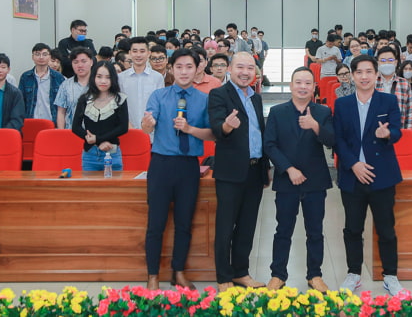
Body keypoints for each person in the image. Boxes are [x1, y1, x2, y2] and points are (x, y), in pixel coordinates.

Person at [141, 48, 214, 290]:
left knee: (184, 223)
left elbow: (212, 134)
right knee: (156, 223)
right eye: (179, 67)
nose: (184, 72)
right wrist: (147, 124)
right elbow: (147, 126)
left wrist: (190, 129)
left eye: (189, 67)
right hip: (161, 164)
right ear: (171, 69)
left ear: (197, 69)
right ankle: (152, 276)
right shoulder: (159, 95)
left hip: (188, 166)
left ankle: (178, 272)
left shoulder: (204, 99)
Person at [334, 54, 403, 295]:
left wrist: (388, 134)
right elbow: (338, 139)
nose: (364, 76)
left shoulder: (388, 100)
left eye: (369, 72)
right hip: (353, 175)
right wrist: (353, 164)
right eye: (359, 72)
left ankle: (390, 276)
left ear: (376, 75)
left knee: (386, 229)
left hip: (382, 175)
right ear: (353, 76)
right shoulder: (342, 104)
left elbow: (397, 130)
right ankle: (354, 274)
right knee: (352, 229)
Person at [260, 66, 333, 291]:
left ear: (314, 87)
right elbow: (269, 145)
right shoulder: (277, 112)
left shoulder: (323, 112)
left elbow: (332, 141)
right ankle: (278, 275)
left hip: (315, 180)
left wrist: (316, 127)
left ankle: (315, 275)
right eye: (298, 82)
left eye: (308, 83)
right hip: (286, 180)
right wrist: (289, 168)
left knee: (315, 231)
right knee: (283, 230)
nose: (303, 87)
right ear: (291, 85)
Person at [208, 52, 269, 291]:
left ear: (256, 71)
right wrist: (227, 126)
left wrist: (265, 168)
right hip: (230, 172)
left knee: (247, 225)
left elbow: (259, 134)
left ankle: (241, 272)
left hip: (254, 170)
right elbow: (216, 128)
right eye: (240, 67)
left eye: (250, 68)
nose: (245, 72)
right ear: (230, 69)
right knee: (226, 226)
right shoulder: (218, 94)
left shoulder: (256, 98)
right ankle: (223, 276)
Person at [71, 61, 128, 171]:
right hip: (90, 154)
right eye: (99, 77)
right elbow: (75, 127)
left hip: (112, 153)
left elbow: (123, 128)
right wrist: (94, 141)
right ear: (93, 77)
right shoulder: (84, 99)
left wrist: (98, 139)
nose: (103, 81)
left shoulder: (120, 99)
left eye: (108, 77)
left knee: (115, 182)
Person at [118, 37, 164, 130]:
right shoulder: (121, 78)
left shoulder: (157, 77)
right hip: (128, 129)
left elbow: (160, 105)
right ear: (130, 53)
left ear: (148, 53)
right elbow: (119, 105)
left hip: (151, 130)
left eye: (142, 51)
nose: (138, 55)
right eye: (135, 51)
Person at [18, 43, 65, 122]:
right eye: (37, 54)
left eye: (44, 54)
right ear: (32, 57)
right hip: (30, 121)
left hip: (52, 122)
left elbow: (62, 104)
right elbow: (20, 102)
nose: (41, 57)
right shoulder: (26, 77)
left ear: (49, 57)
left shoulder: (58, 77)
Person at [374, 46, 412, 129]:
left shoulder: (404, 83)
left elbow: (409, 112)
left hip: (398, 130)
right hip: (375, 131)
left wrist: (408, 132)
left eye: (390, 60)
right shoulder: (372, 82)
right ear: (378, 63)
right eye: (383, 61)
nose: (387, 63)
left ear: (396, 62)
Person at [54, 47, 93, 129]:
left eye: (84, 61)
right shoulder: (65, 85)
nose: (80, 65)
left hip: (94, 133)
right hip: (71, 132)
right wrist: (62, 132)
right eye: (75, 62)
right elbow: (61, 112)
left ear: (91, 62)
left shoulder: (99, 84)